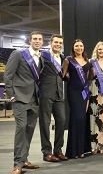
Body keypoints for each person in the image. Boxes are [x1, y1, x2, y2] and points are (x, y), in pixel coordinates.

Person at [4, 31, 44, 174]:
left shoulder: (41, 57)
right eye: (35, 39)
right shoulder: (18, 54)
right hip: (20, 98)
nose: (37, 41)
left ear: (42, 42)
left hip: (34, 99)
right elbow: (8, 75)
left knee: (29, 131)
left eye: (40, 39)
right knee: (21, 130)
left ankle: (24, 159)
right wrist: (11, 96)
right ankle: (17, 164)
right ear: (29, 41)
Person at [39, 34, 68, 162]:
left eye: (60, 43)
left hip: (59, 94)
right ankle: (46, 152)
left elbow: (64, 75)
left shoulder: (63, 58)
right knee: (45, 123)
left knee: (61, 121)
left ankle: (58, 150)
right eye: (56, 42)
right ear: (51, 43)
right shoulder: (43, 56)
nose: (58, 44)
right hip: (45, 94)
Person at [63, 39, 91, 158]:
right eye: (76, 46)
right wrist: (70, 77)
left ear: (83, 47)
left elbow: (89, 77)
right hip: (73, 92)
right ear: (73, 48)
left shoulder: (87, 61)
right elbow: (63, 74)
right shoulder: (68, 60)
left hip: (84, 92)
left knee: (83, 119)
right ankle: (73, 151)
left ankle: (82, 150)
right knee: (76, 118)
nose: (79, 48)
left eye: (81, 46)